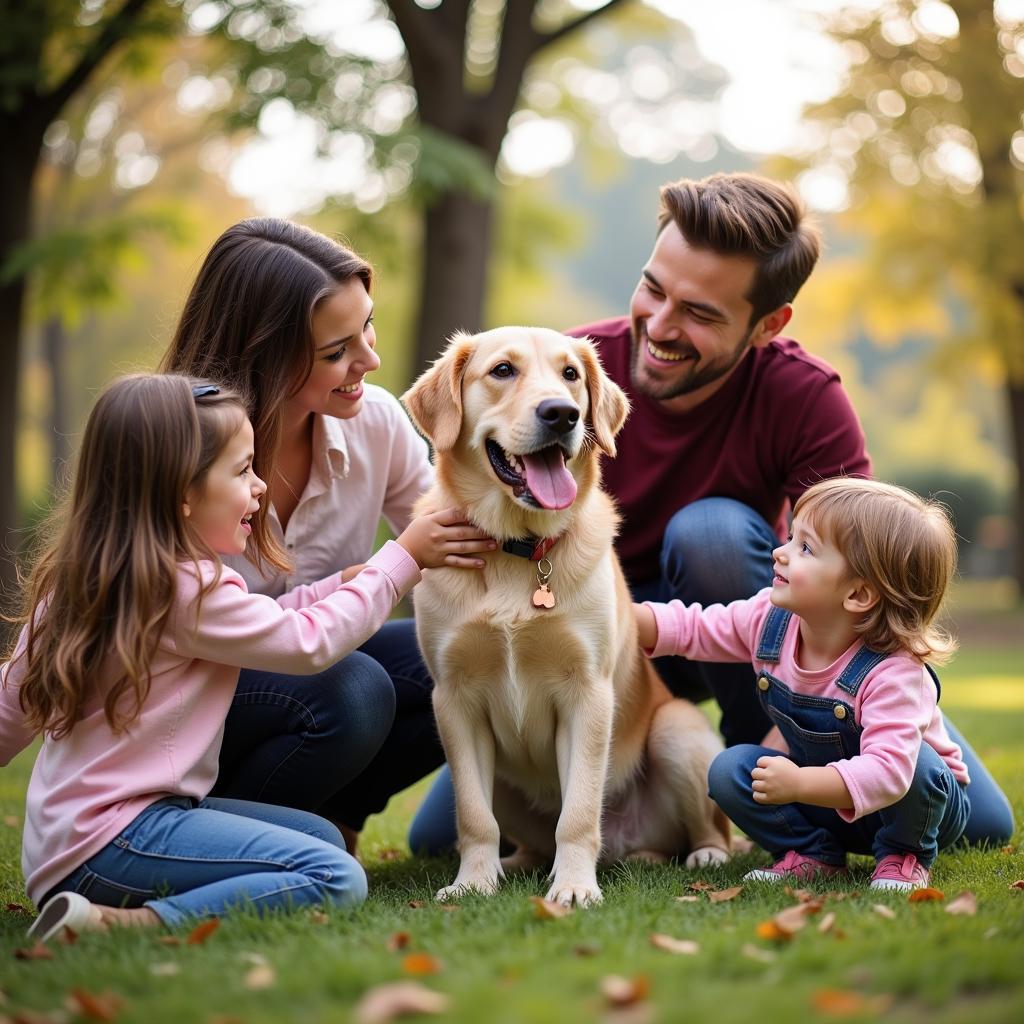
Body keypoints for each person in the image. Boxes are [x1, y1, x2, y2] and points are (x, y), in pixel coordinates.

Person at [408, 171, 1012, 854]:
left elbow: (869, 578)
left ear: (768, 324)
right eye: (654, 289)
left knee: (713, 536)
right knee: (434, 840)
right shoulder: (561, 384)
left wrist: (814, 743)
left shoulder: (804, 398)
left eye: (700, 314)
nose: (660, 327)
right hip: (605, 637)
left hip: (750, 629)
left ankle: (770, 771)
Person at [2, 373, 489, 938]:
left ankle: (117, 894)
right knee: (335, 876)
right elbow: (307, 643)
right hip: (115, 841)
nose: (260, 488)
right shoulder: (187, 589)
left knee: (321, 838)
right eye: (242, 472)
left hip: (75, 839)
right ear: (181, 494)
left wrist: (342, 584)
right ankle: (122, 922)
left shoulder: (89, 577)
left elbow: (10, 709)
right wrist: (398, 561)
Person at [160, 219, 490, 855]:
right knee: (354, 688)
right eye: (336, 350)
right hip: (193, 705)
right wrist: (393, 564)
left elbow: (455, 536)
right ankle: (218, 830)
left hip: (307, 655)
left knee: (451, 657)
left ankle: (336, 816)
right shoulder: (180, 452)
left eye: (367, 325)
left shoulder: (377, 422)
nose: (370, 360)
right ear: (262, 354)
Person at [635, 478, 969, 890]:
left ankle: (905, 856)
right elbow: (693, 628)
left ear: (859, 594)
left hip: (912, 808)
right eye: (791, 537)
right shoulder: (769, 621)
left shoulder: (896, 673)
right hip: (829, 798)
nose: (780, 552)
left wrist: (797, 783)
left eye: (805, 548)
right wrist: (619, 616)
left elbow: (889, 774)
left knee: (917, 765)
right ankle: (811, 853)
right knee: (729, 771)